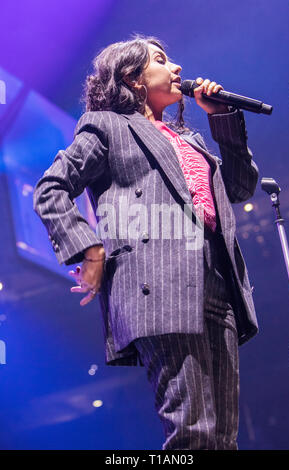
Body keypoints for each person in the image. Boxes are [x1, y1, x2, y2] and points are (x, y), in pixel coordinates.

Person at [33, 34, 259, 450]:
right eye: (161, 60)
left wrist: (223, 120)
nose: (176, 68)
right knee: (193, 433)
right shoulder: (106, 126)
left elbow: (240, 189)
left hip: (219, 284)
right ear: (133, 78)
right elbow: (50, 188)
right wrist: (90, 249)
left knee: (224, 437)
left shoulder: (189, 140)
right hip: (160, 286)